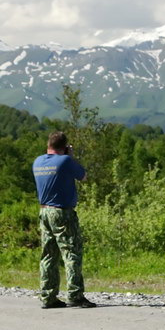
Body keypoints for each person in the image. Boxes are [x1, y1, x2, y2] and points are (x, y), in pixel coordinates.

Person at [32, 131, 95, 309]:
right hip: (62, 212)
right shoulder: (66, 161)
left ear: (48, 145)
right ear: (65, 147)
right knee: (71, 252)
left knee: (48, 255)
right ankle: (75, 294)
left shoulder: (37, 162)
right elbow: (83, 176)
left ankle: (48, 296)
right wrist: (71, 157)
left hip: (44, 212)